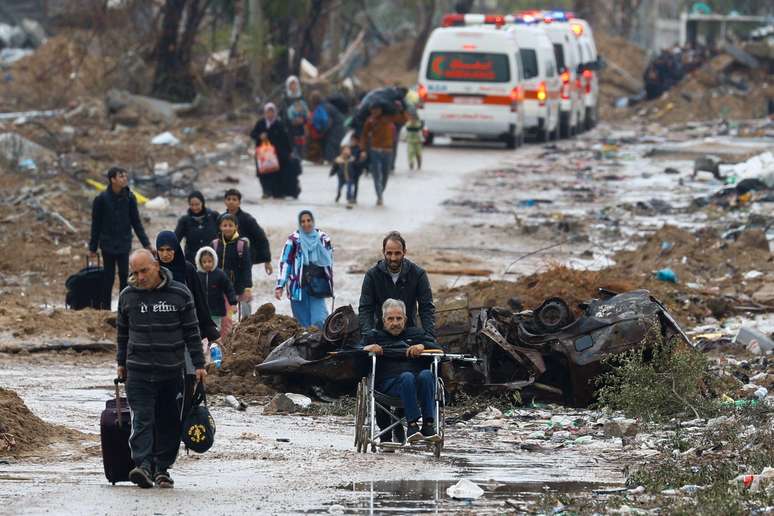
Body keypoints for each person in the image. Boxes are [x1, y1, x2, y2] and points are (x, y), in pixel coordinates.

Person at [116, 249, 206, 489]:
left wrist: (198, 364)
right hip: (138, 371)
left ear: (156, 265)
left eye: (144, 271)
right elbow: (122, 333)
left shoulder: (179, 293)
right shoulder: (127, 296)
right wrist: (120, 363)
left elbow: (192, 331)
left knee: (169, 421)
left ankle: (162, 469)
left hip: (171, 370)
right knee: (143, 419)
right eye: (135, 273)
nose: (140, 277)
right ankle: (143, 466)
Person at [362, 298, 442, 443]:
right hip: (388, 386)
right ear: (383, 320)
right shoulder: (374, 337)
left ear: (405, 319)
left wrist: (422, 346)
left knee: (426, 374)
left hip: (417, 386)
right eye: (390, 319)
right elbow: (353, 351)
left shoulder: (417, 335)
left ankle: (428, 425)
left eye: (399, 318)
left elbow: (439, 349)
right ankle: (412, 426)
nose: (395, 323)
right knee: (407, 377)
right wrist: (366, 348)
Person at [89, 166, 152, 310]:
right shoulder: (101, 199)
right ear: (112, 179)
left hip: (124, 243)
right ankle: (105, 308)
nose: (125, 179)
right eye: (121, 176)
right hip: (107, 244)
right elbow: (96, 225)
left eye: (125, 176)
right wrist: (92, 247)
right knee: (108, 277)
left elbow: (136, 222)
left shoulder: (130, 198)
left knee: (125, 276)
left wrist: (146, 244)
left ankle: (124, 308)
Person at [358, 231, 435, 337]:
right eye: (389, 253)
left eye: (397, 253)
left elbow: (426, 308)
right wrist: (368, 337)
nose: (393, 258)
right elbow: (365, 308)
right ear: (383, 252)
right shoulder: (372, 275)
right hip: (380, 332)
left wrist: (429, 337)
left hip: (409, 332)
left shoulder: (418, 274)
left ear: (404, 252)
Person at [155, 231, 220, 345]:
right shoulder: (153, 271)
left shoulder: (187, 269)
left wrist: (210, 330)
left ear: (175, 248)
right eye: (161, 250)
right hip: (160, 333)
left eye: (169, 249)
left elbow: (199, 301)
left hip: (187, 331)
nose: (165, 254)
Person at [275, 210, 333, 328]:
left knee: (319, 320)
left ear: (313, 221)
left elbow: (329, 263)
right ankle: (308, 345)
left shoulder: (323, 239)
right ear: (299, 223)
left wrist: (331, 285)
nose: (306, 224)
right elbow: (285, 262)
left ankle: (321, 344)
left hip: (318, 286)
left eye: (308, 220)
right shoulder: (294, 240)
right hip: (298, 287)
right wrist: (280, 285)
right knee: (303, 324)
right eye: (303, 221)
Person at [223, 189, 272, 317]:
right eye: (229, 199)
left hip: (244, 262)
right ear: (225, 201)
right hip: (226, 263)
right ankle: (226, 324)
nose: (231, 202)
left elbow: (261, 238)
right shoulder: (221, 220)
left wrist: (267, 260)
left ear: (239, 202)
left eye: (234, 199)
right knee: (225, 292)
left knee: (244, 290)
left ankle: (245, 321)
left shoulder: (247, 219)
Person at [359, 105, 408, 205]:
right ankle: (379, 196)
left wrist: (401, 110)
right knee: (376, 175)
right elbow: (363, 136)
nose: (374, 111)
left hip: (388, 151)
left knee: (385, 174)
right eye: (373, 109)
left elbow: (404, 120)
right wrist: (363, 150)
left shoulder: (389, 118)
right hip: (375, 151)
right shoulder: (370, 121)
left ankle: (380, 192)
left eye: (376, 109)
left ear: (381, 110)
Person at [249, 102, 297, 199]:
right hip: (262, 154)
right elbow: (253, 134)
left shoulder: (279, 124)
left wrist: (289, 152)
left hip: (277, 154)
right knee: (263, 173)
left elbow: (286, 139)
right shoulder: (261, 123)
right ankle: (266, 191)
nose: (270, 114)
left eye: (272, 112)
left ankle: (277, 192)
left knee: (276, 174)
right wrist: (260, 136)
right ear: (265, 113)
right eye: (268, 112)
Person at [212, 213, 252, 326]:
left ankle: (243, 341)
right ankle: (224, 341)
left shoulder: (242, 245)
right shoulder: (215, 245)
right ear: (220, 227)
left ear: (236, 227)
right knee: (226, 319)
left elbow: (247, 267)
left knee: (245, 320)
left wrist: (248, 287)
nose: (228, 228)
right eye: (225, 225)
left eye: (230, 225)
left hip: (239, 287)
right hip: (221, 288)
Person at [195, 246, 237, 341]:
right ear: (200, 262)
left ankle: (215, 350)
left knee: (215, 332)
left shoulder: (219, 274)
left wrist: (233, 303)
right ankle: (205, 351)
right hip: (200, 312)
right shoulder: (197, 275)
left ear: (214, 261)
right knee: (202, 333)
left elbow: (229, 288)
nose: (207, 264)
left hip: (216, 311)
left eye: (209, 261)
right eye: (204, 262)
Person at [174, 191, 220, 263]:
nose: (194, 207)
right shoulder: (184, 221)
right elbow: (175, 240)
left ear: (202, 203)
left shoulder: (214, 216)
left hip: (212, 259)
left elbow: (224, 234)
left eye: (197, 204)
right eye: (192, 205)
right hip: (192, 260)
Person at [329, 143, 356, 208]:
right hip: (341, 177)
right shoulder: (338, 159)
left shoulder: (352, 159)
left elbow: (356, 167)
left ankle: (349, 198)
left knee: (349, 188)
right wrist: (332, 173)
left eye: (348, 150)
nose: (347, 151)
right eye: (345, 150)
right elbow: (334, 167)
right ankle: (338, 194)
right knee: (339, 187)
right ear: (342, 151)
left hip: (349, 176)